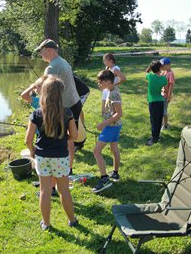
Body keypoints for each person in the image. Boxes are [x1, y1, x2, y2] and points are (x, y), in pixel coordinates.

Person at [25, 76, 79, 230]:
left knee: (45, 190)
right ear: (60, 93)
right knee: (64, 190)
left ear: (44, 92)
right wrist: (64, 136)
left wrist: (32, 151)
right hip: (61, 157)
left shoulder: (36, 113)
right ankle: (72, 220)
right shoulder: (67, 113)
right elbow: (75, 136)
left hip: (42, 157)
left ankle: (46, 223)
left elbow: (28, 140)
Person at [35, 39, 82, 175]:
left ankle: (65, 170)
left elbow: (44, 85)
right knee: (69, 139)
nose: (41, 54)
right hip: (74, 102)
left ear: (48, 50)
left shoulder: (52, 67)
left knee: (67, 139)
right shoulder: (62, 61)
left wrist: (33, 88)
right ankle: (68, 168)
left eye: (41, 51)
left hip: (66, 107)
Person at [92, 70, 123, 193]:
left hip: (111, 127)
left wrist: (103, 124)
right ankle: (115, 173)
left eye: (100, 82)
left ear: (107, 82)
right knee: (114, 149)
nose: (99, 84)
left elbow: (119, 114)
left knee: (96, 151)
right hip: (115, 126)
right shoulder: (111, 91)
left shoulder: (114, 94)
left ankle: (104, 179)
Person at [145, 60, 167, 146]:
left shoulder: (150, 76)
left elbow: (146, 72)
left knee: (153, 120)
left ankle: (154, 139)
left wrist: (150, 66)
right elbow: (165, 89)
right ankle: (157, 136)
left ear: (152, 68)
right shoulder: (164, 78)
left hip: (153, 102)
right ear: (160, 68)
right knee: (159, 119)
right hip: (160, 101)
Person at [159, 57, 175, 130]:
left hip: (166, 96)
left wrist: (169, 96)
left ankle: (165, 125)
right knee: (161, 110)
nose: (161, 67)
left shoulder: (170, 74)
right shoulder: (165, 72)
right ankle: (162, 123)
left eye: (162, 65)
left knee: (164, 111)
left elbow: (171, 86)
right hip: (162, 95)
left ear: (168, 65)